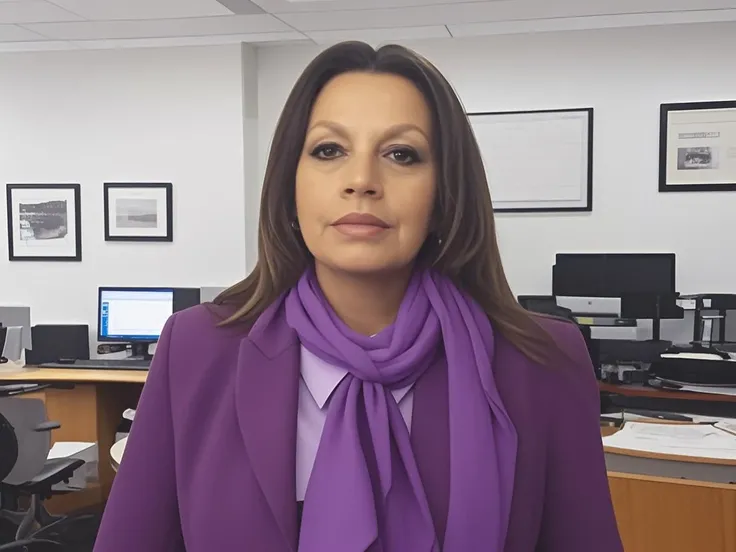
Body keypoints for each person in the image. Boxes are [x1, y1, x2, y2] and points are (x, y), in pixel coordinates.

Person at [93, 41, 623, 552]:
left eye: (401, 154)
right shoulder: (197, 348)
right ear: (290, 186)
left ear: (444, 194)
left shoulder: (542, 363)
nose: (362, 180)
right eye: (329, 150)